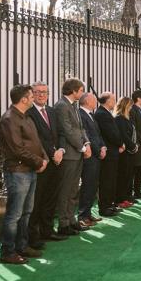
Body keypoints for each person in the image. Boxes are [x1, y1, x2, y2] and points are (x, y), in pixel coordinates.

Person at [0, 84, 49, 264]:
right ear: (24, 99)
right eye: (31, 95)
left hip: (30, 171)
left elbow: (36, 142)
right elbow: (17, 149)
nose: (34, 97)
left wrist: (44, 158)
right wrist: (38, 161)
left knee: (26, 212)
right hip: (18, 172)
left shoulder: (26, 117)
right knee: (14, 214)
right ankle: (7, 251)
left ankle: (21, 245)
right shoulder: (9, 119)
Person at [26, 82, 67, 248]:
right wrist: (52, 153)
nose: (41, 95)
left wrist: (61, 150)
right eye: (37, 92)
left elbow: (61, 133)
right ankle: (33, 236)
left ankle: (47, 230)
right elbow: (36, 138)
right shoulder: (29, 112)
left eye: (45, 92)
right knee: (37, 199)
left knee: (51, 197)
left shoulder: (51, 111)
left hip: (57, 161)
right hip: (41, 162)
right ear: (32, 94)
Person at [55, 78, 91, 236]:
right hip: (69, 154)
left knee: (74, 190)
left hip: (77, 153)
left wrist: (87, 143)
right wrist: (82, 147)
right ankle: (63, 223)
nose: (82, 93)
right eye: (81, 90)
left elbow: (81, 128)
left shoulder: (73, 105)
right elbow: (67, 130)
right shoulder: (61, 105)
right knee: (66, 190)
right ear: (73, 90)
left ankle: (71, 219)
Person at [77, 93, 106, 227]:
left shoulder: (91, 115)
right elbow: (87, 136)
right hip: (90, 156)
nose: (96, 102)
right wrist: (97, 149)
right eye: (94, 100)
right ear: (87, 101)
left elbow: (98, 134)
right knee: (88, 185)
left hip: (97, 154)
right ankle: (82, 215)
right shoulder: (80, 115)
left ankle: (88, 213)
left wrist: (103, 147)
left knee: (93, 185)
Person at [94, 92, 124, 217]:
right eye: (113, 99)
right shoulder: (102, 114)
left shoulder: (105, 113)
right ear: (107, 100)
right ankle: (105, 207)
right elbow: (110, 133)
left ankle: (110, 204)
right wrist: (120, 143)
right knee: (106, 180)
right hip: (109, 151)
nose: (115, 102)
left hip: (113, 151)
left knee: (111, 179)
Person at [114, 97, 138, 208]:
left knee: (128, 175)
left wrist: (134, 146)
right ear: (125, 106)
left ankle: (125, 197)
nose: (131, 108)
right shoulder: (119, 119)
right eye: (130, 106)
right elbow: (123, 135)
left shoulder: (127, 118)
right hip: (124, 151)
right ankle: (119, 199)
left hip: (130, 152)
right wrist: (133, 146)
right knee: (122, 176)